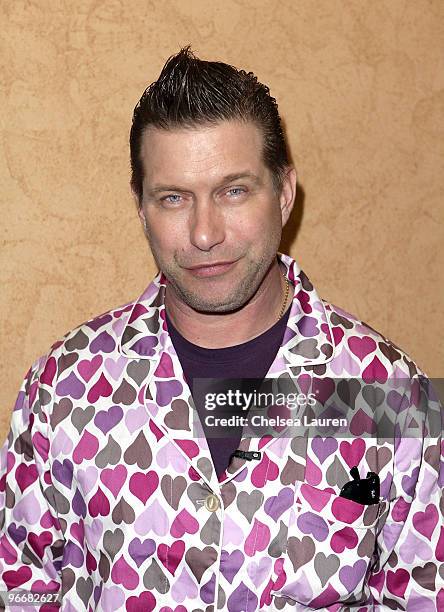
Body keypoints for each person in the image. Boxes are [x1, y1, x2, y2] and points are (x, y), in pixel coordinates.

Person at [0, 46, 442, 612]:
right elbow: (22, 589)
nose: (204, 233)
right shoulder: (62, 389)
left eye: (234, 191)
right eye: (173, 198)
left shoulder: (392, 395)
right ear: (140, 206)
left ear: (283, 193)